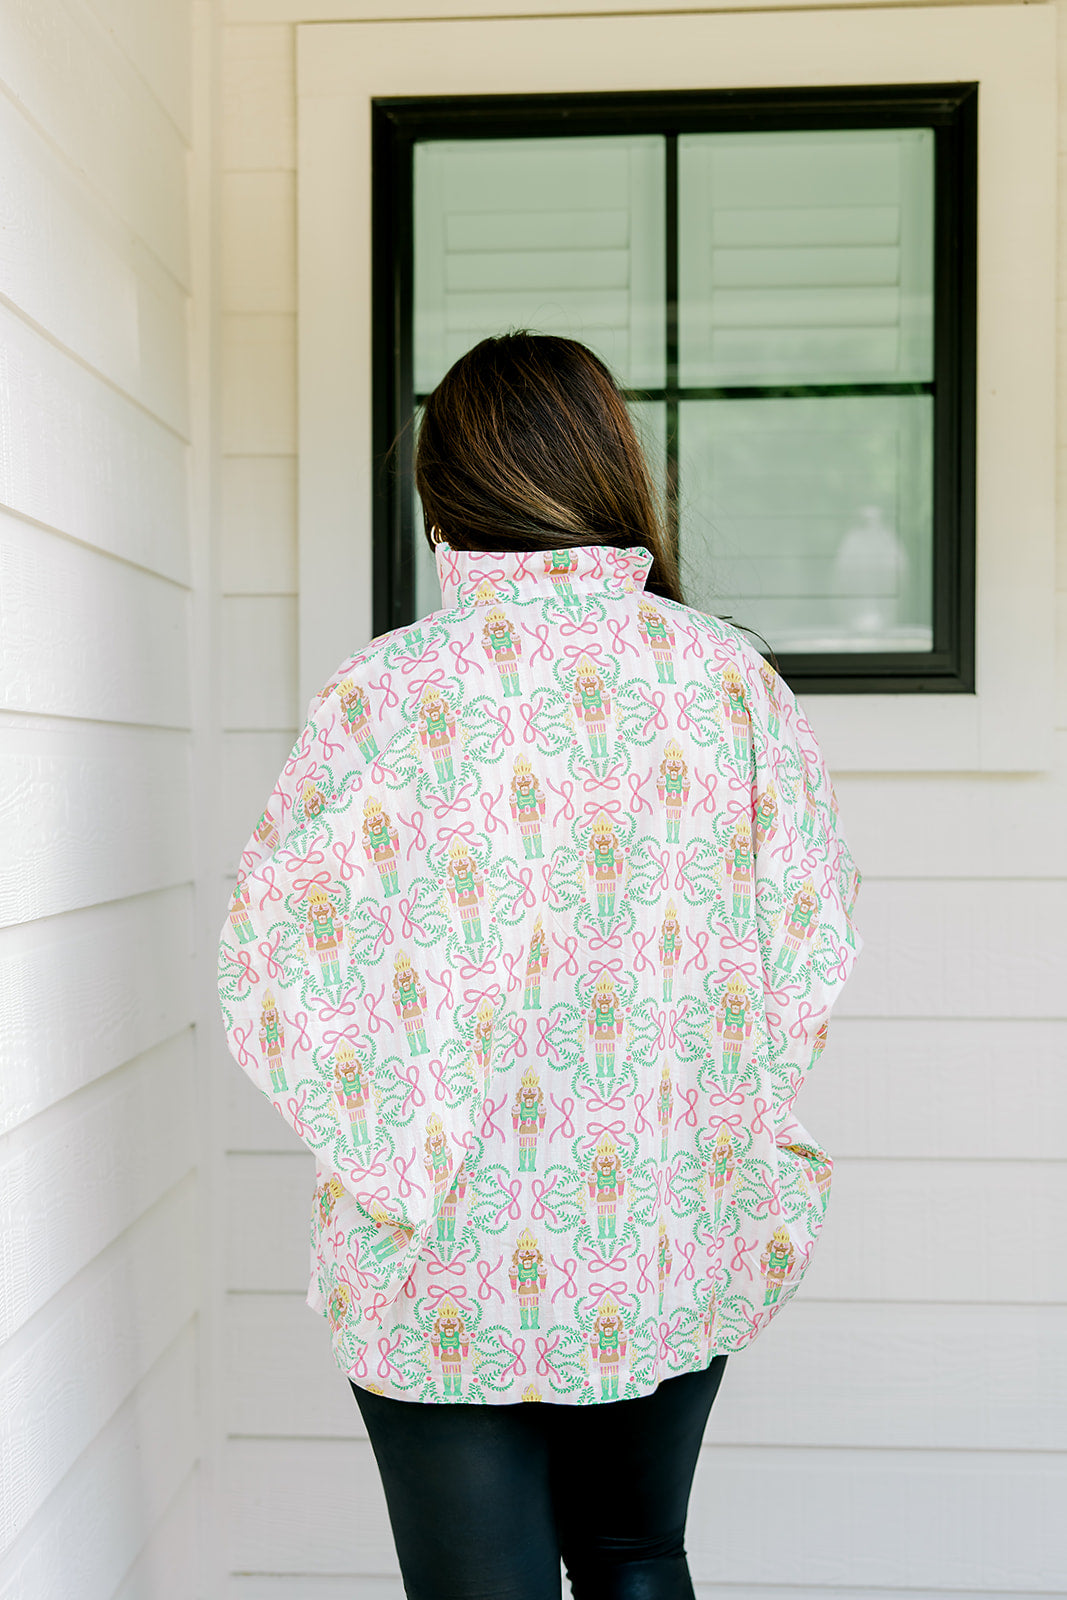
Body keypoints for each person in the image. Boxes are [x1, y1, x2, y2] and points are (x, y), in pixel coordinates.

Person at [217, 333, 862, 1600]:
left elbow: (272, 963)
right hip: (666, 1220)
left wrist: (399, 1157)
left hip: (444, 1244)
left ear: (443, 495)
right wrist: (702, 1119)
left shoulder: (389, 692)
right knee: (636, 1555)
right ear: (612, 472)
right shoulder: (725, 679)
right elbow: (811, 940)